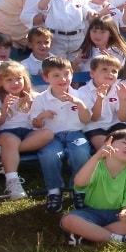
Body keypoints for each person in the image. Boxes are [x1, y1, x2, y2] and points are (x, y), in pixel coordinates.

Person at [60, 129, 126, 246]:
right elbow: (80, 183)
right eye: (125, 143)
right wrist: (97, 157)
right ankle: (118, 238)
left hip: (117, 215)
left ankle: (90, 235)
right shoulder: (95, 165)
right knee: (68, 220)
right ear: (108, 143)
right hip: (92, 212)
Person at [29, 56, 93, 213]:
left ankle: (78, 188)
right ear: (46, 78)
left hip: (75, 133)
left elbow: (87, 119)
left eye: (66, 74)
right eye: (56, 75)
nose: (62, 79)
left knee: (81, 152)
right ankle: (54, 190)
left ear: (72, 74)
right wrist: (42, 116)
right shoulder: (41, 98)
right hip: (52, 135)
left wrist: (79, 104)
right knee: (49, 155)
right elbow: (35, 123)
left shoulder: (80, 95)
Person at [0, 61, 53, 200]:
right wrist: (4, 108)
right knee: (12, 141)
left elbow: (38, 125)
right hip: (6, 132)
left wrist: (32, 106)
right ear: (0, 83)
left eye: (19, 78)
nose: (15, 83)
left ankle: (2, 152)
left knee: (48, 134)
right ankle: (13, 181)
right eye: (9, 80)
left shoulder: (35, 97)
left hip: (28, 132)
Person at [77, 55, 126, 151]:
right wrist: (100, 99)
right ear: (92, 73)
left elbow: (123, 118)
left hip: (116, 125)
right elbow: (94, 118)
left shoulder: (119, 88)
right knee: (106, 148)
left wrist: (123, 100)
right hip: (95, 127)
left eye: (114, 71)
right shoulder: (84, 91)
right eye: (104, 69)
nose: (110, 73)